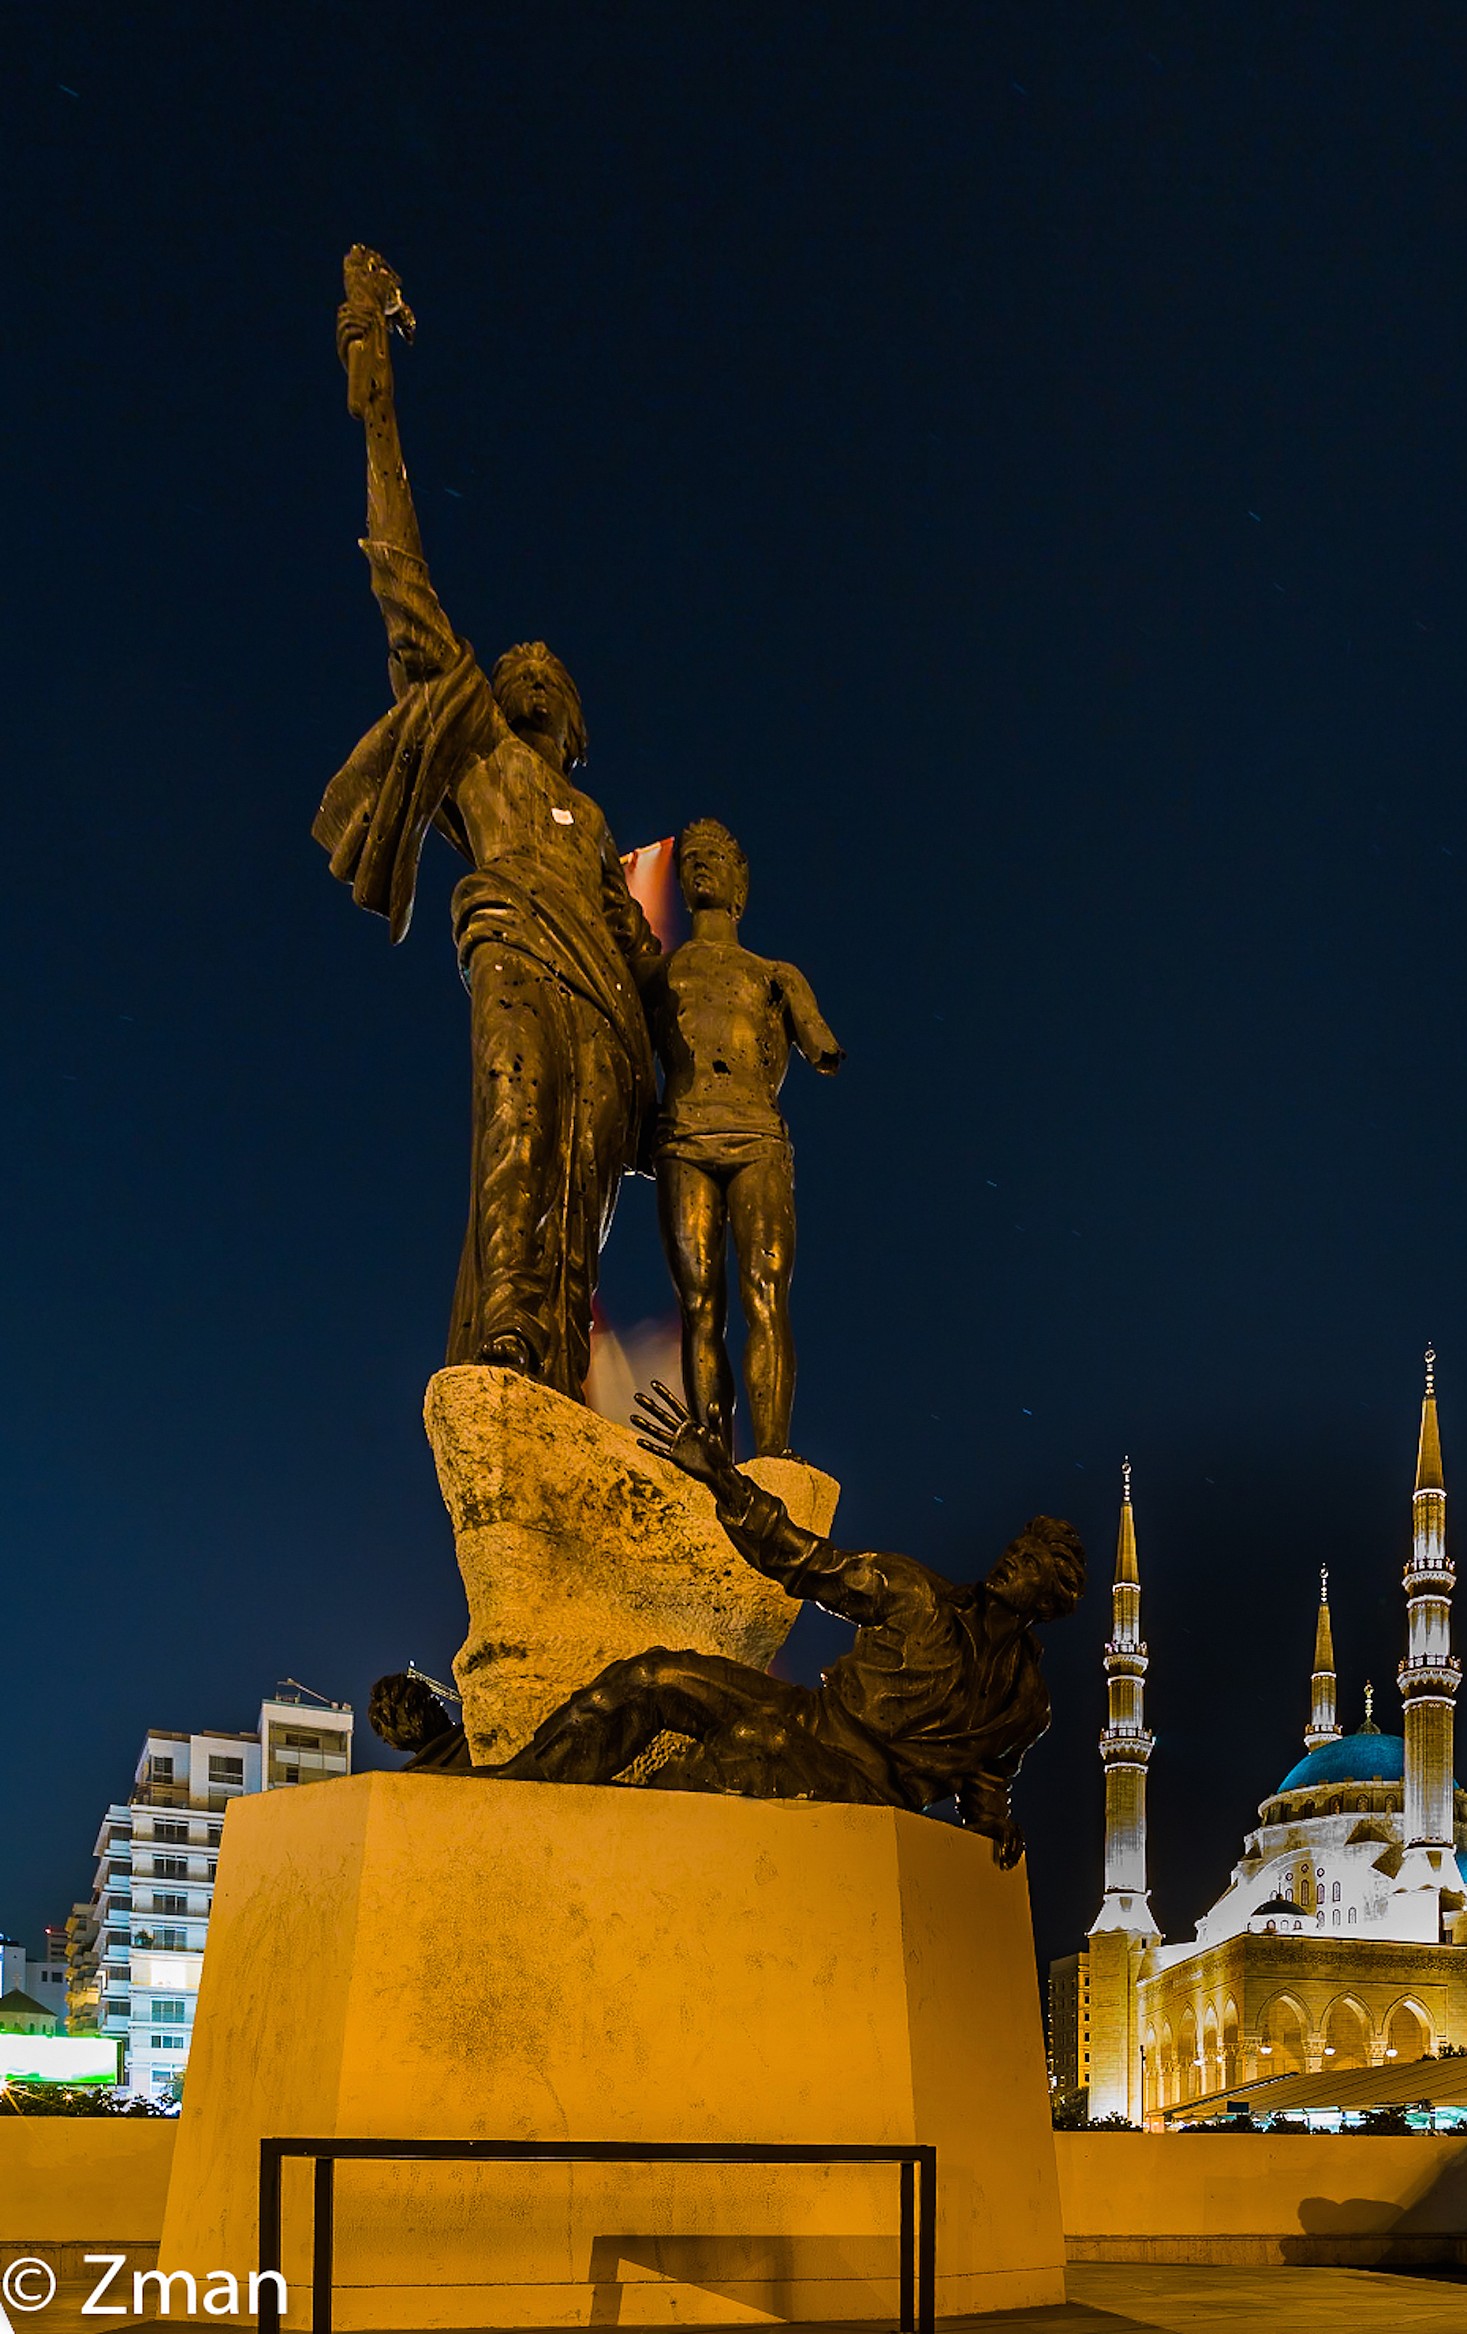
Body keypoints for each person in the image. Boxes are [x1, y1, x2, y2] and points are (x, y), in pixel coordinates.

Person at [312, 246, 661, 1399]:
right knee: (518, 1157)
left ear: (580, 719)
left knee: (583, 1210)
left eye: (552, 673)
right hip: (513, 952)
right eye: (518, 665)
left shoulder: (596, 816)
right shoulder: (472, 743)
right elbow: (402, 574)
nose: (532, 673)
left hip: (607, 1009)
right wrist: (373, 376)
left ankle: (556, 1376)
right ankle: (508, 1352)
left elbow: (641, 953)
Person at [493, 1385, 1083, 1865]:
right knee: (658, 1675)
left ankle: (595, 1851)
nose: (1012, 1560)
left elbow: (986, 1780)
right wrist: (724, 1480)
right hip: (813, 1715)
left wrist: (994, 1826)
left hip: (870, 1785)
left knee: (755, 1748)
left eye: (1031, 1563)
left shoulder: (1025, 1704)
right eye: (1017, 1548)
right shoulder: (915, 1594)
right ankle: (499, 1792)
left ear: (1049, 1600)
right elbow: (803, 1561)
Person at [652, 818, 843, 1456]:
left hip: (758, 1134)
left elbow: (820, 1041)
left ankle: (773, 1452)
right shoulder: (663, 973)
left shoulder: (774, 976)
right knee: (700, 1301)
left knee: (765, 1292)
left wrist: (816, 1039)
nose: (701, 867)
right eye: (692, 860)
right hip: (684, 1136)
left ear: (741, 884)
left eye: (715, 859)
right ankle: (711, 1446)